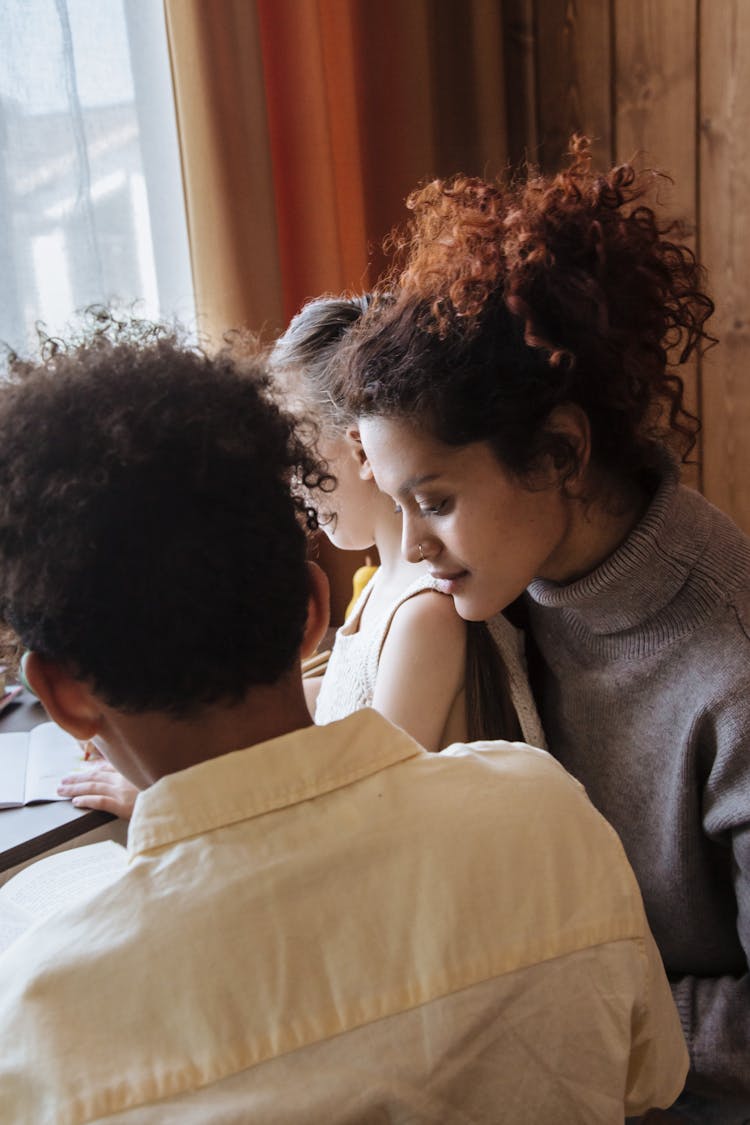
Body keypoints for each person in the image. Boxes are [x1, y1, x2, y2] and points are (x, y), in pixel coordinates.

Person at [0, 318, 687, 1123]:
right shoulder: (550, 815)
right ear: (313, 610)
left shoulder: (42, 1030)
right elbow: (653, 1079)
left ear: (61, 692)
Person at [338, 138, 750, 1119]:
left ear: (562, 449)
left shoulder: (728, 673)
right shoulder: (502, 579)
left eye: (432, 501)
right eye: (395, 504)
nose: (414, 550)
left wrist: (564, 1006)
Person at [57, 296, 544, 818]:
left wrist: (175, 805)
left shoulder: (425, 613)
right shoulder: (382, 587)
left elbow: (371, 805)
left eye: (298, 448)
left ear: (361, 449)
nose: (295, 482)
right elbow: (338, 698)